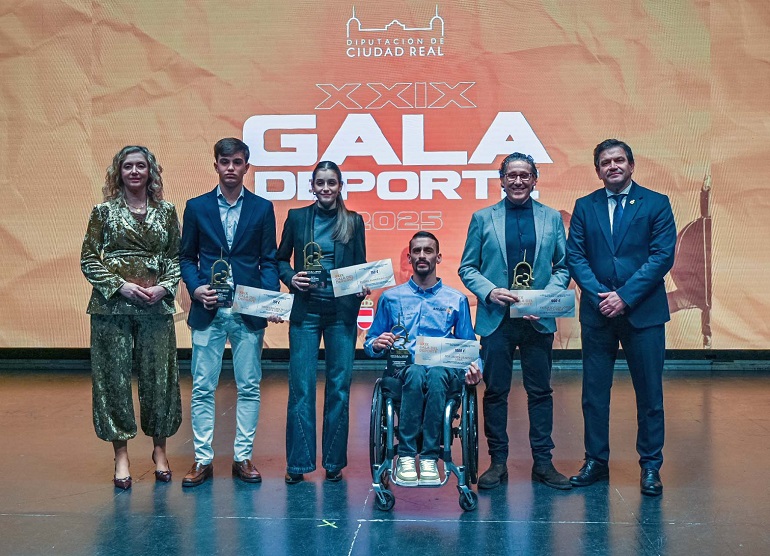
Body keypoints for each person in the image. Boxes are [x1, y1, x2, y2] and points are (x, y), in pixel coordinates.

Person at [566, 139, 676, 496]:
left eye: (618, 160)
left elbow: (661, 256)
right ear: (597, 170)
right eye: (605, 162)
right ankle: (596, 461)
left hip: (643, 313)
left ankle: (650, 466)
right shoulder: (585, 206)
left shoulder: (656, 203)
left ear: (631, 165)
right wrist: (602, 295)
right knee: (594, 394)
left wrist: (624, 297)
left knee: (649, 393)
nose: (612, 166)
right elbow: (575, 256)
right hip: (598, 312)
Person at [459, 152, 571, 490]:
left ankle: (543, 463)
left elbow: (563, 267)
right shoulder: (483, 218)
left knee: (540, 392)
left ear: (535, 179)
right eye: (512, 175)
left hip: (537, 319)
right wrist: (490, 291)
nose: (518, 181)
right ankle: (497, 463)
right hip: (497, 319)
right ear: (502, 180)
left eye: (525, 175)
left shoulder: (552, 218)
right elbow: (468, 268)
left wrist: (545, 299)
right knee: (495, 392)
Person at [179, 137, 280, 487]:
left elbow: (268, 260)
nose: (231, 168)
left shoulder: (263, 208)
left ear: (247, 167)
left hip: (247, 311)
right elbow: (186, 259)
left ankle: (242, 457)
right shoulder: (196, 207)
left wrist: (267, 299)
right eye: (225, 162)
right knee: (203, 387)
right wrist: (195, 288)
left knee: (249, 386)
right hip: (208, 309)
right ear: (216, 165)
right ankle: (203, 459)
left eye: (238, 162)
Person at [81, 145, 182, 489]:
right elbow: (89, 259)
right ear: (119, 172)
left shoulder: (167, 211)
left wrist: (166, 288)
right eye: (128, 166)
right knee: (113, 380)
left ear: (151, 171)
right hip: (111, 308)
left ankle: (160, 450)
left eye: (141, 166)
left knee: (160, 379)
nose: (135, 172)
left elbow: (175, 257)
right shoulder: (103, 212)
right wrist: (119, 286)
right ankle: (121, 454)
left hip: (156, 307)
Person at [364, 232, 481, 485]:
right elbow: (370, 341)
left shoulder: (456, 299)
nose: (421, 256)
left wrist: (475, 368)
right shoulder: (390, 298)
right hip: (402, 372)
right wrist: (377, 343)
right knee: (416, 372)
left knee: (437, 373)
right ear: (409, 257)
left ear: (438, 257)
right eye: (416, 251)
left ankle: (429, 457)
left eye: (428, 251)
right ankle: (406, 455)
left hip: (443, 374)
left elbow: (468, 345)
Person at [277, 161, 368, 484]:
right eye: (321, 183)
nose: (326, 189)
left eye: (332, 183)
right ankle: (298, 464)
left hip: (341, 314)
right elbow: (278, 260)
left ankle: (333, 462)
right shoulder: (297, 218)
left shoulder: (353, 222)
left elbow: (360, 267)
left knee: (339, 389)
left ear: (340, 186)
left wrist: (363, 285)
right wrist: (291, 277)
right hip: (306, 313)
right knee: (301, 388)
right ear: (312, 187)